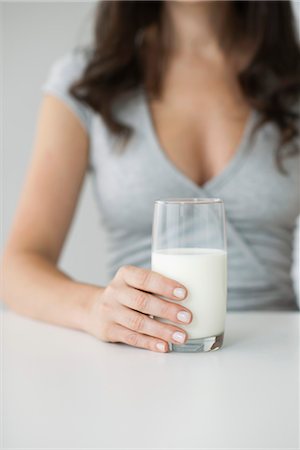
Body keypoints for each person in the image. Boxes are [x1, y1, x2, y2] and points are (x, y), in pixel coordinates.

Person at [1, 1, 300, 353]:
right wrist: (93, 307)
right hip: (141, 354)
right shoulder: (85, 79)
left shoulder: (291, 81)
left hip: (274, 350)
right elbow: (17, 268)